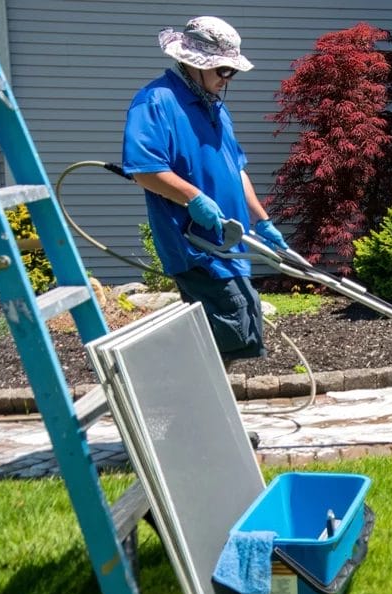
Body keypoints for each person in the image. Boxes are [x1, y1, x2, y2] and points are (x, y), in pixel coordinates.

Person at [122, 16, 288, 363]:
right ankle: (195, 413)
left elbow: (235, 169)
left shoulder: (215, 107)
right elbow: (145, 170)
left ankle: (212, 412)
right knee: (224, 335)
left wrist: (262, 221)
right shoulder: (156, 102)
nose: (228, 79)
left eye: (232, 72)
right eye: (223, 70)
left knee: (242, 328)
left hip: (230, 244)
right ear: (193, 63)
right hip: (196, 247)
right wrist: (194, 198)